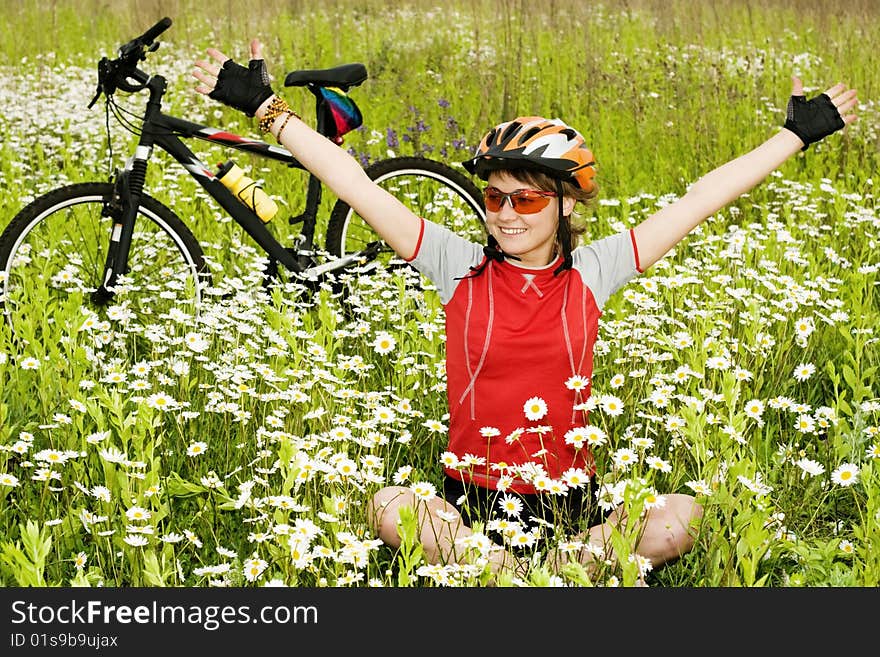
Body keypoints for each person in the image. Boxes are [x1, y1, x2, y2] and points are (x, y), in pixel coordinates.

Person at [193, 40, 858, 584]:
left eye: (527, 201)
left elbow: (699, 200)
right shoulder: (456, 265)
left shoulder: (596, 271)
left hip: (573, 506)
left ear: (566, 207)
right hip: (470, 503)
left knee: (686, 513)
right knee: (389, 506)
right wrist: (263, 107)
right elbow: (355, 183)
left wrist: (794, 135)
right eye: (496, 197)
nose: (506, 213)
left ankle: (530, 572)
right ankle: (525, 573)